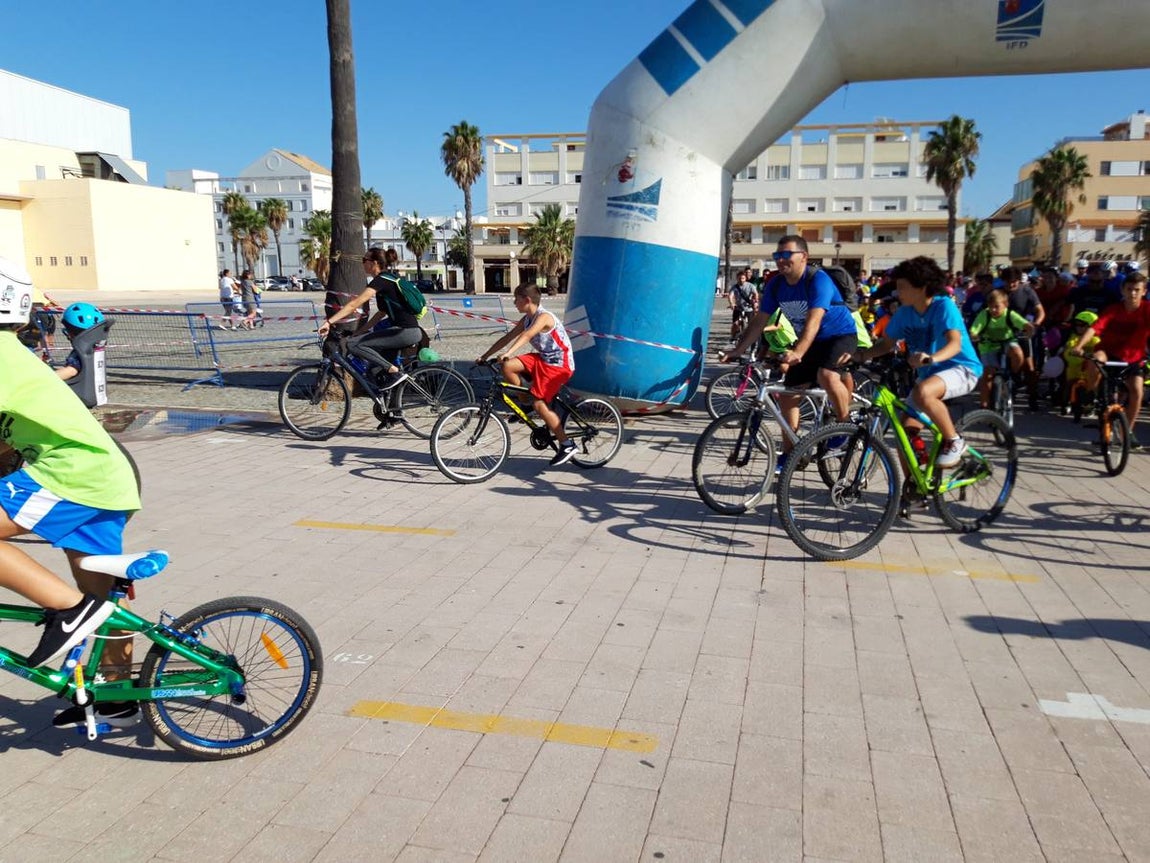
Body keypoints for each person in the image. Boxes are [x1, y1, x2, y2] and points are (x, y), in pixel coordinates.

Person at [0, 256, 142, 727]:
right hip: (103, 478)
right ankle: (118, 694)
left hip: (72, 476)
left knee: (83, 604)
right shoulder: (13, 353)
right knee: (103, 597)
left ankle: (67, 610)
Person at [721, 235, 857, 471]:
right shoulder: (776, 284)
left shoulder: (818, 280)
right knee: (787, 396)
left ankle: (845, 426)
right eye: (777, 255)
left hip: (840, 336)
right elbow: (759, 321)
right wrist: (737, 350)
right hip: (811, 342)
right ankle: (791, 453)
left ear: (803, 256)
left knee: (827, 375)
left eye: (786, 255)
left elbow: (814, 320)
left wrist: (798, 352)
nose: (780, 260)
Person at [854, 256, 982, 487]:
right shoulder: (905, 312)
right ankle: (915, 486)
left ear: (922, 287)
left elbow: (954, 344)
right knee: (905, 433)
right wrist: (860, 356)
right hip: (929, 377)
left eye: (903, 287)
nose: (898, 292)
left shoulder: (943, 306)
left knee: (923, 392)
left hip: (961, 368)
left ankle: (954, 440)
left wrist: (931, 358)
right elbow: (886, 344)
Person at [477, 283, 578, 466]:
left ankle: (567, 444)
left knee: (539, 404)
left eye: (516, 299)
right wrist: (484, 356)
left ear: (527, 300)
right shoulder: (527, 318)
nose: (514, 303)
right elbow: (507, 337)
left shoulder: (544, 317)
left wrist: (508, 352)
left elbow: (527, 336)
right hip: (543, 359)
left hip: (560, 365)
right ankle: (525, 405)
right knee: (508, 366)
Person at [318, 247, 422, 386]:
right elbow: (381, 313)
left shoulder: (381, 280)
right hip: (408, 331)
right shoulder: (390, 279)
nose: (362, 263)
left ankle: (394, 371)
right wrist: (360, 331)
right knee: (374, 370)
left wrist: (329, 322)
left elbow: (354, 304)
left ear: (374, 263)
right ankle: (388, 397)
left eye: (364, 260)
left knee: (353, 344)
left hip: (404, 332)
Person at [1071, 271, 1150, 449]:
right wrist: (1079, 346)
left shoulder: (1147, 310)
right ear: (1123, 290)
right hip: (1109, 353)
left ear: (1144, 291)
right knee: (1096, 359)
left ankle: (1127, 432)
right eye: (1129, 289)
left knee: (1137, 391)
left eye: (1137, 290)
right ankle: (1091, 394)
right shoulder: (1113, 309)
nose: (1133, 293)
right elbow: (1094, 328)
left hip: (1133, 358)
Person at [968, 289, 1034, 409]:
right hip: (988, 345)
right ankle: (984, 405)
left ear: (1005, 305)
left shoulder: (1009, 314)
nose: (993, 310)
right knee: (987, 374)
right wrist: (974, 335)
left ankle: (1014, 376)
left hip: (1007, 342)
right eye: (990, 307)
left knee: (1017, 353)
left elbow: (1024, 324)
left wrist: (1029, 329)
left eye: (996, 307)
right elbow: (974, 329)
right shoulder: (985, 314)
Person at [53, 302, 106, 383]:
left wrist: (43, 378)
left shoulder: (81, 352)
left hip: (79, 389)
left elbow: (71, 371)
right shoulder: (95, 349)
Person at [727, 271, 758, 339]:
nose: (741, 280)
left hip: (748, 308)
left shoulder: (750, 286)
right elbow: (730, 296)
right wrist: (732, 304)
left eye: (743, 278)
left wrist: (755, 302)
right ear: (737, 278)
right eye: (739, 278)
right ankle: (733, 336)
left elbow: (755, 294)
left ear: (745, 278)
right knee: (735, 323)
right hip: (738, 308)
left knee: (751, 324)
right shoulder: (735, 287)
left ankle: (751, 338)